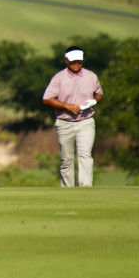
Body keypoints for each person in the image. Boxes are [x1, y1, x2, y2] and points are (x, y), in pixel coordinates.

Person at [43, 46, 104, 187]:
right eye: (72, 61)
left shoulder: (91, 76)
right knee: (67, 160)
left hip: (86, 121)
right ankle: (68, 190)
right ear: (66, 61)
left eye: (79, 61)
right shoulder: (58, 78)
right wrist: (66, 106)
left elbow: (99, 93)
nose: (76, 64)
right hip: (65, 123)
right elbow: (47, 99)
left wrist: (94, 100)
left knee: (85, 156)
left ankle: (86, 188)